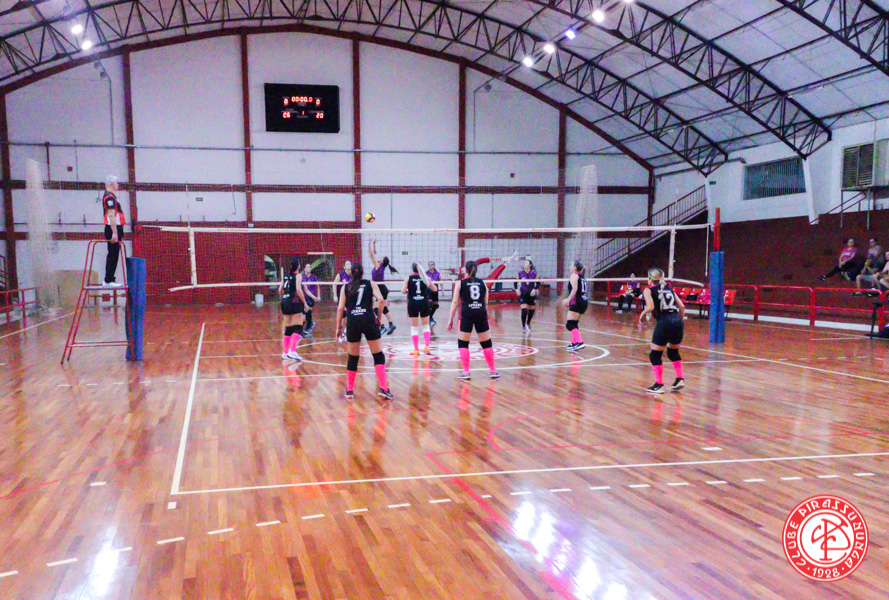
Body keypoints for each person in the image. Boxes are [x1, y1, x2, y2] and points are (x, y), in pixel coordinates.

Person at [335, 264, 393, 400]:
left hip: (353, 321)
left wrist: (338, 328)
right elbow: (381, 300)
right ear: (362, 272)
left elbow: (340, 309)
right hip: (368, 320)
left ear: (351, 273)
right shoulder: (370, 284)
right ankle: (384, 388)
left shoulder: (345, 287)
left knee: (353, 357)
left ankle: (349, 391)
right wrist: (379, 317)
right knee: (378, 355)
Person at [447, 260, 500, 380]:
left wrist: (450, 319)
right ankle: (493, 370)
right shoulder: (482, 283)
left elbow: (455, 302)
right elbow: (486, 302)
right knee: (486, 343)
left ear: (465, 270)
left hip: (467, 314)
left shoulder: (460, 283)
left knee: (463, 344)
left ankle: (466, 372)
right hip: (481, 313)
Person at [638, 268, 686, 394]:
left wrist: (642, 314)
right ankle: (679, 379)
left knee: (655, 355)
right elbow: (682, 306)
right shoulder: (669, 288)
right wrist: (679, 320)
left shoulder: (648, 290)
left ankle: (659, 385)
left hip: (665, 322)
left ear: (649, 279)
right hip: (677, 320)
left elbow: (650, 307)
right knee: (673, 352)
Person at [402, 263, 437, 355]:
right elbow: (434, 289)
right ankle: (427, 347)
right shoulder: (426, 278)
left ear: (412, 269)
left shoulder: (408, 278)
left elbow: (403, 291)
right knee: (425, 326)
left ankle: (416, 349)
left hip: (413, 303)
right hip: (424, 303)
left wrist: (410, 289)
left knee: (414, 327)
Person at [278, 258, 307, 361]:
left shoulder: (285, 276)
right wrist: (305, 303)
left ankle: (285, 352)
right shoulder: (298, 276)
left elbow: (279, 290)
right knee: (299, 326)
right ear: (298, 266)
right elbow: (298, 290)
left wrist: (283, 299)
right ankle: (292, 351)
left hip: (284, 302)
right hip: (294, 302)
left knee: (289, 328)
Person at [370, 239, 398, 335]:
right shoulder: (382, 266)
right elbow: (375, 254)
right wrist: (374, 244)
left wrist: (369, 244)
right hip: (383, 288)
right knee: (384, 308)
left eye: (381, 258)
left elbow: (372, 255)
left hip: (379, 289)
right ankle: (391, 324)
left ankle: (382, 327)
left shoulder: (378, 266)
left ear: (381, 261)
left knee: (376, 309)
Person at [101, 175, 125, 288]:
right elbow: (111, 215)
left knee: (114, 254)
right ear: (111, 183)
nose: (118, 184)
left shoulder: (112, 197)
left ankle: (110, 279)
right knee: (113, 254)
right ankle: (108, 280)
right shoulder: (109, 198)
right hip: (112, 228)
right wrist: (114, 232)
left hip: (115, 228)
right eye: (116, 182)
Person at [562, 260, 588, 352]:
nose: (570, 267)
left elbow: (575, 289)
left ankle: (579, 342)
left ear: (575, 268)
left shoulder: (574, 276)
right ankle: (574, 343)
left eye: (571, 265)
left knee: (569, 324)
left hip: (577, 302)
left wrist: (567, 300)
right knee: (574, 323)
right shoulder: (582, 277)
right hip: (584, 302)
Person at [516, 259, 539, 334]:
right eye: (524, 263)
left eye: (526, 263)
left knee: (532, 310)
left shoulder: (534, 273)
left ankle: (528, 323)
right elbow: (515, 283)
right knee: (524, 310)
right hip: (523, 293)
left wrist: (535, 289)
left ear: (530, 265)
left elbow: (538, 283)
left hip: (531, 294)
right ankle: (523, 326)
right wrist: (517, 289)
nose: (524, 264)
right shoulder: (520, 273)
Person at [333, 261, 353, 343]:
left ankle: (347, 332)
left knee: (349, 316)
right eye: (347, 264)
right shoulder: (340, 274)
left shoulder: (353, 275)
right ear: (344, 267)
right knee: (341, 316)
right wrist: (335, 295)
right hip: (341, 298)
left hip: (350, 298)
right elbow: (334, 284)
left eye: (350, 264)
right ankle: (340, 333)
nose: (349, 265)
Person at [301, 263, 320, 336]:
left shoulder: (314, 277)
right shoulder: (302, 277)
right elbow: (306, 290)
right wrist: (315, 297)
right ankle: (310, 324)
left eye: (310, 267)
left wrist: (318, 296)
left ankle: (307, 328)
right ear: (304, 269)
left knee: (307, 311)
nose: (309, 268)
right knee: (304, 313)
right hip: (304, 297)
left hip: (310, 298)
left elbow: (318, 287)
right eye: (307, 267)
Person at [426, 261, 442, 326]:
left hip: (435, 291)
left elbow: (441, 282)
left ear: (434, 265)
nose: (430, 266)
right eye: (429, 265)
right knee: (429, 304)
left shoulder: (437, 273)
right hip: (428, 291)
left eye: (432, 264)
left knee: (436, 305)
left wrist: (442, 290)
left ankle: (430, 317)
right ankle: (430, 319)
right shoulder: (426, 273)